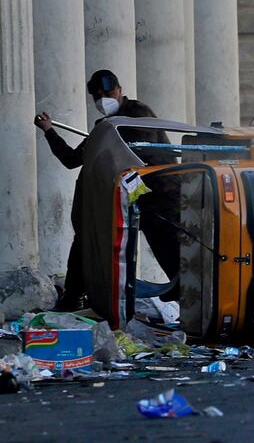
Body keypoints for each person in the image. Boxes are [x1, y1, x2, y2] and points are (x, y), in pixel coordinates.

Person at [34, 69, 173, 311]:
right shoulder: (105, 127)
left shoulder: (137, 114)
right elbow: (71, 159)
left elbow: (139, 156)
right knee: (85, 239)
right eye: (98, 96)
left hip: (157, 196)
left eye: (108, 93)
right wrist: (49, 131)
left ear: (120, 90)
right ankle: (73, 297)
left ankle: (189, 298)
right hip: (124, 198)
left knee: (169, 249)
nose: (103, 100)